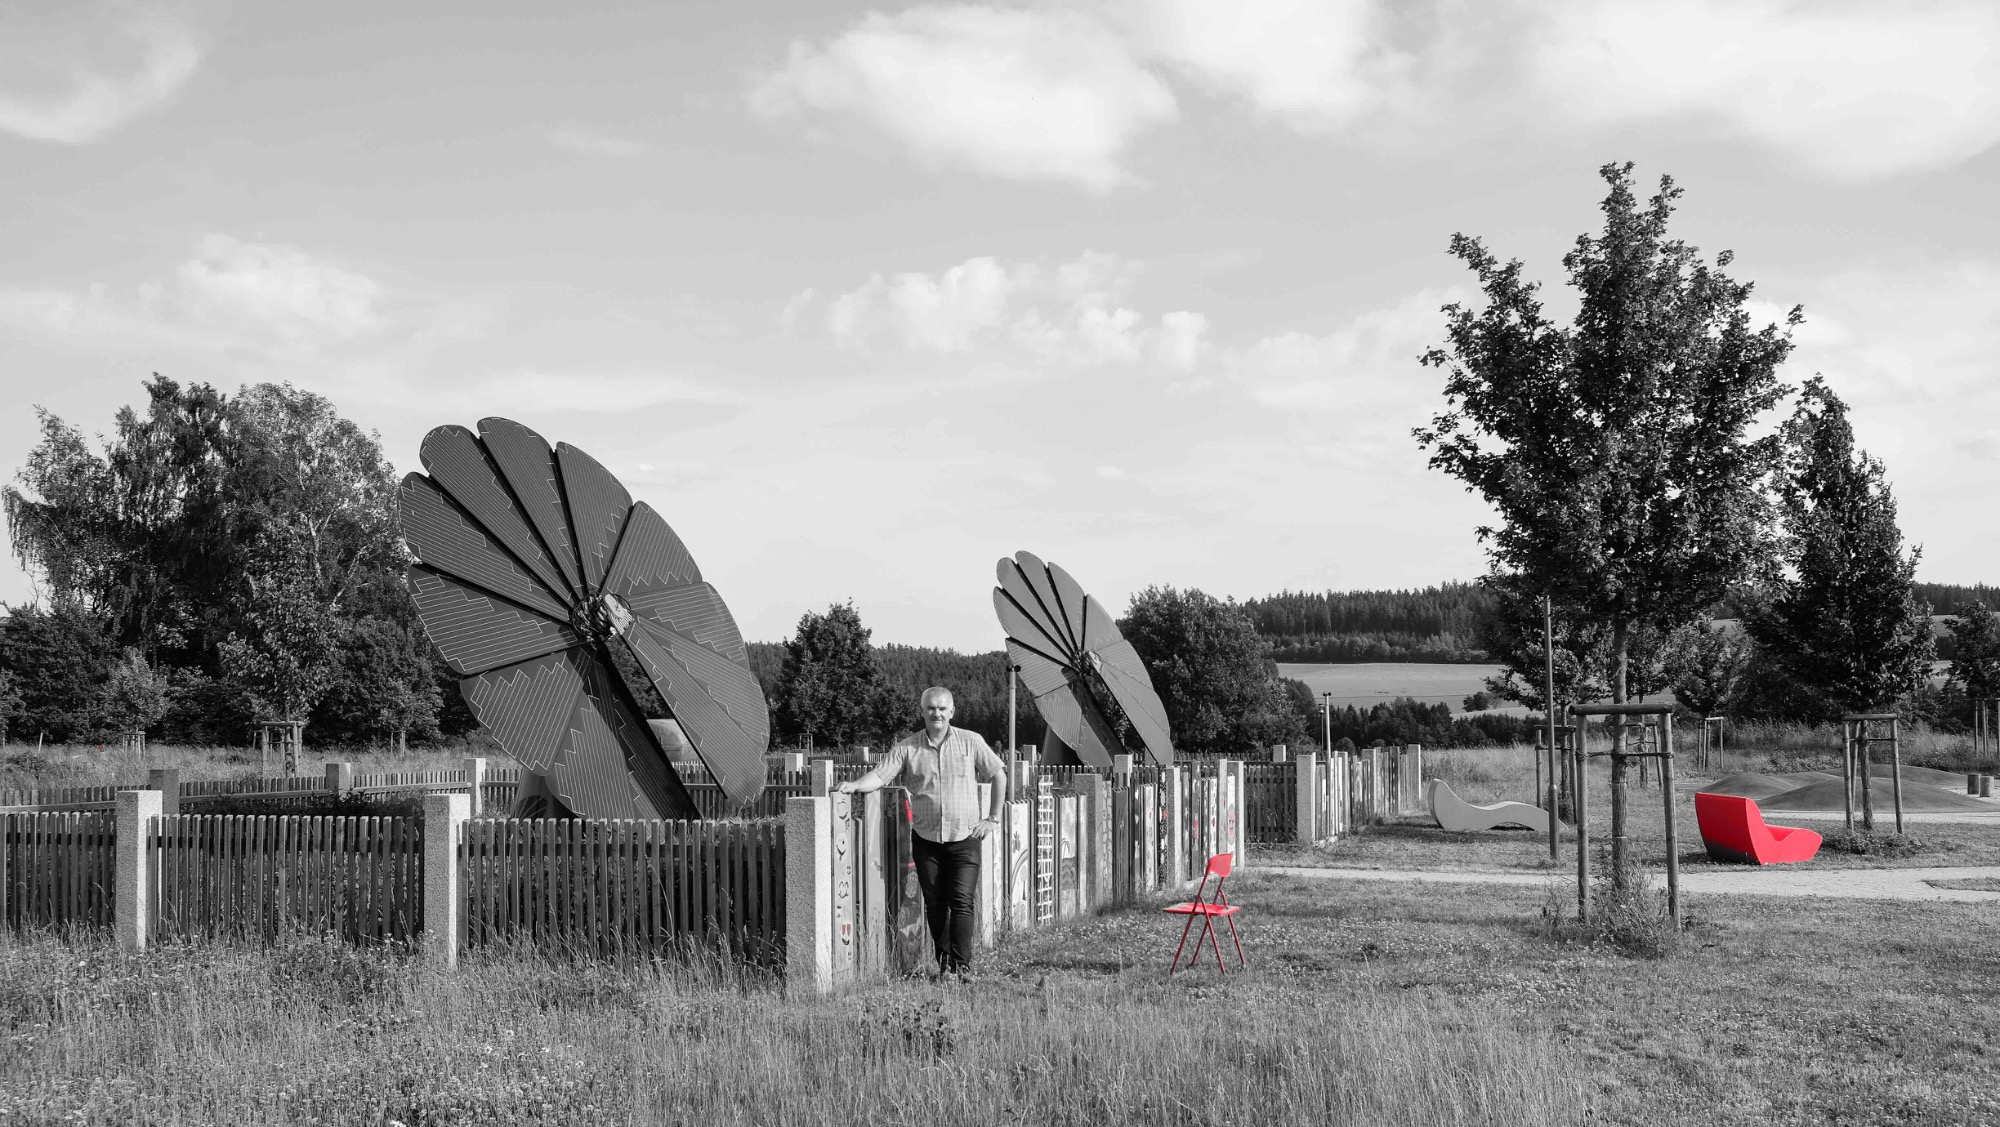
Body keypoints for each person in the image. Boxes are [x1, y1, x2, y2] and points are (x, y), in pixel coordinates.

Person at [837, 686, 1006, 979]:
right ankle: (945, 966)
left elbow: (998, 774)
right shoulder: (907, 748)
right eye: (931, 708)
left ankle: (962, 966)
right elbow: (880, 775)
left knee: (962, 901)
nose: (936, 713)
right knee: (936, 905)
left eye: (942, 708)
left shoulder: (971, 741)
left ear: (952, 712)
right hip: (927, 839)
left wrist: (993, 818)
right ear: (923, 711)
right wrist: (854, 785)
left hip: (965, 837)